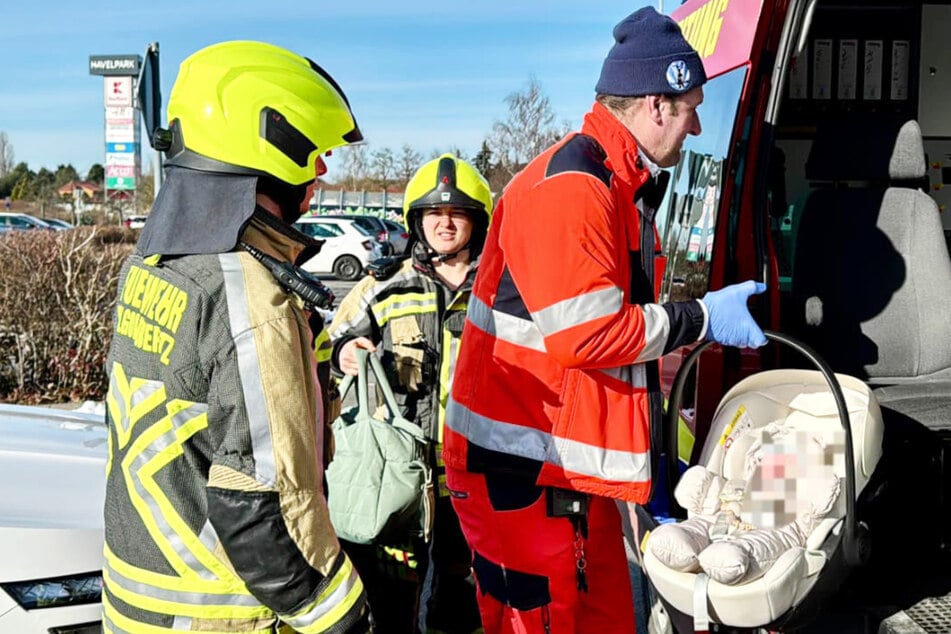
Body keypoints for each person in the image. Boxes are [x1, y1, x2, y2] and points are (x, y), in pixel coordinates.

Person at [443, 8, 768, 633]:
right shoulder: (574, 186)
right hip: (519, 476)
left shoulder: (616, 184)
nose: (698, 126)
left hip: (564, 472)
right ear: (656, 104)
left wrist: (649, 459)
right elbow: (589, 336)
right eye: (691, 108)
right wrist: (701, 318)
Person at [101, 41, 371, 633]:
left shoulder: (153, 262)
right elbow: (264, 505)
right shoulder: (247, 293)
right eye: (315, 153)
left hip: (137, 604)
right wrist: (345, 618)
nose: (321, 173)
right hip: (222, 614)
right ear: (269, 145)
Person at [328, 154, 491, 633]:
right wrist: (344, 353)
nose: (445, 223)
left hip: (473, 468)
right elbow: (328, 342)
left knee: (462, 591)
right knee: (392, 593)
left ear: (477, 222)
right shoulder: (383, 285)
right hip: (400, 469)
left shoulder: (501, 290)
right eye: (434, 212)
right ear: (417, 220)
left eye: (457, 213)